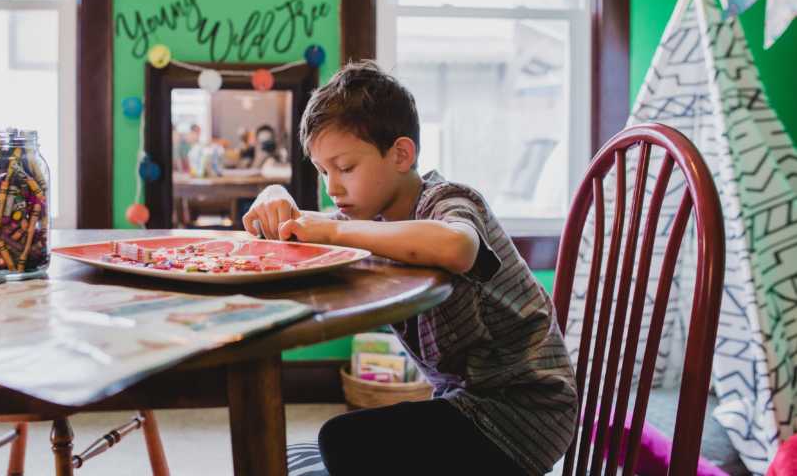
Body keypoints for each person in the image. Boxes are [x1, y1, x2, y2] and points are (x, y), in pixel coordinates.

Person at [242, 62, 577, 475]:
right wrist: (274, 193)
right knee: (331, 443)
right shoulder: (371, 219)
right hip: (467, 405)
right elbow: (307, 228)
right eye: (322, 171)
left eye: (345, 168)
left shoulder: (449, 200)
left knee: (342, 440)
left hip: (521, 416)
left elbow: (457, 246)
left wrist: (333, 228)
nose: (332, 187)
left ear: (401, 154)